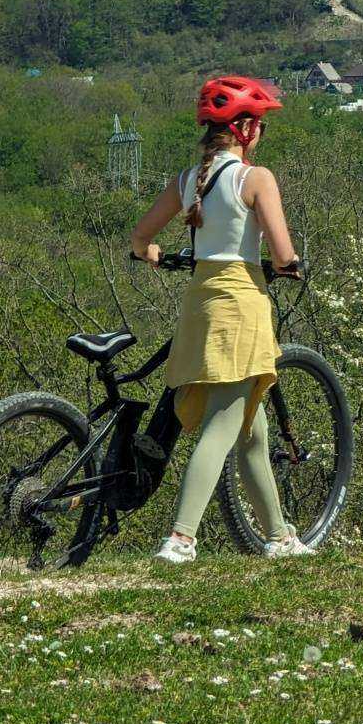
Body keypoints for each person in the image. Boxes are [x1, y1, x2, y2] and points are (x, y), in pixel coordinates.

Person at [130, 74, 310, 564]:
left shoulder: (187, 181)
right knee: (223, 426)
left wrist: (151, 254)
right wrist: (290, 266)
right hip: (241, 302)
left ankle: (279, 536)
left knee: (251, 429)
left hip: (199, 303)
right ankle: (181, 538)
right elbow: (282, 252)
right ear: (247, 129)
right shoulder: (256, 179)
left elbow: (139, 238)